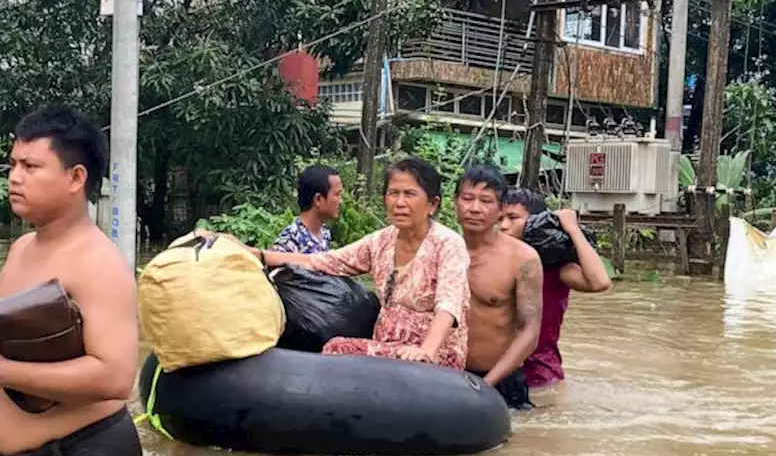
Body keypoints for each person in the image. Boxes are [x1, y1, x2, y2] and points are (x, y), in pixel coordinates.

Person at [0, 106, 143, 456]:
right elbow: (2, 339)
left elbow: (114, 377)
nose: (14, 177)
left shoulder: (98, 262)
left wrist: (2, 375)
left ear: (76, 177)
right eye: (13, 164)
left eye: (31, 166)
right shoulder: (22, 249)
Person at [209, 157, 470, 369]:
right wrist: (258, 254)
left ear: (432, 204)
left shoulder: (448, 244)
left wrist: (425, 351)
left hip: (432, 355)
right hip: (386, 347)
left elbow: (448, 305)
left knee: (340, 350)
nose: (400, 202)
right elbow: (325, 261)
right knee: (336, 346)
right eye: (393, 193)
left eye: (410, 194)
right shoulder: (380, 241)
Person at [499, 187, 612, 392]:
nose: (504, 226)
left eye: (512, 218)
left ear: (536, 223)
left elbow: (600, 282)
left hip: (538, 376)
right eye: (499, 219)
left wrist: (573, 229)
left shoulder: (555, 269)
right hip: (497, 371)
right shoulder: (490, 261)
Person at [454, 165, 543, 411]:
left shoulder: (523, 259)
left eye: (486, 201)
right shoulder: (443, 250)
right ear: (455, 203)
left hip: (501, 380)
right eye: (467, 198)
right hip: (448, 377)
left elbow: (530, 332)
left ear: (501, 208)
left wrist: (486, 385)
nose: (474, 208)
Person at [272, 165, 343, 254]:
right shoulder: (288, 243)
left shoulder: (324, 232)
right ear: (318, 199)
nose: (341, 201)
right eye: (337, 195)